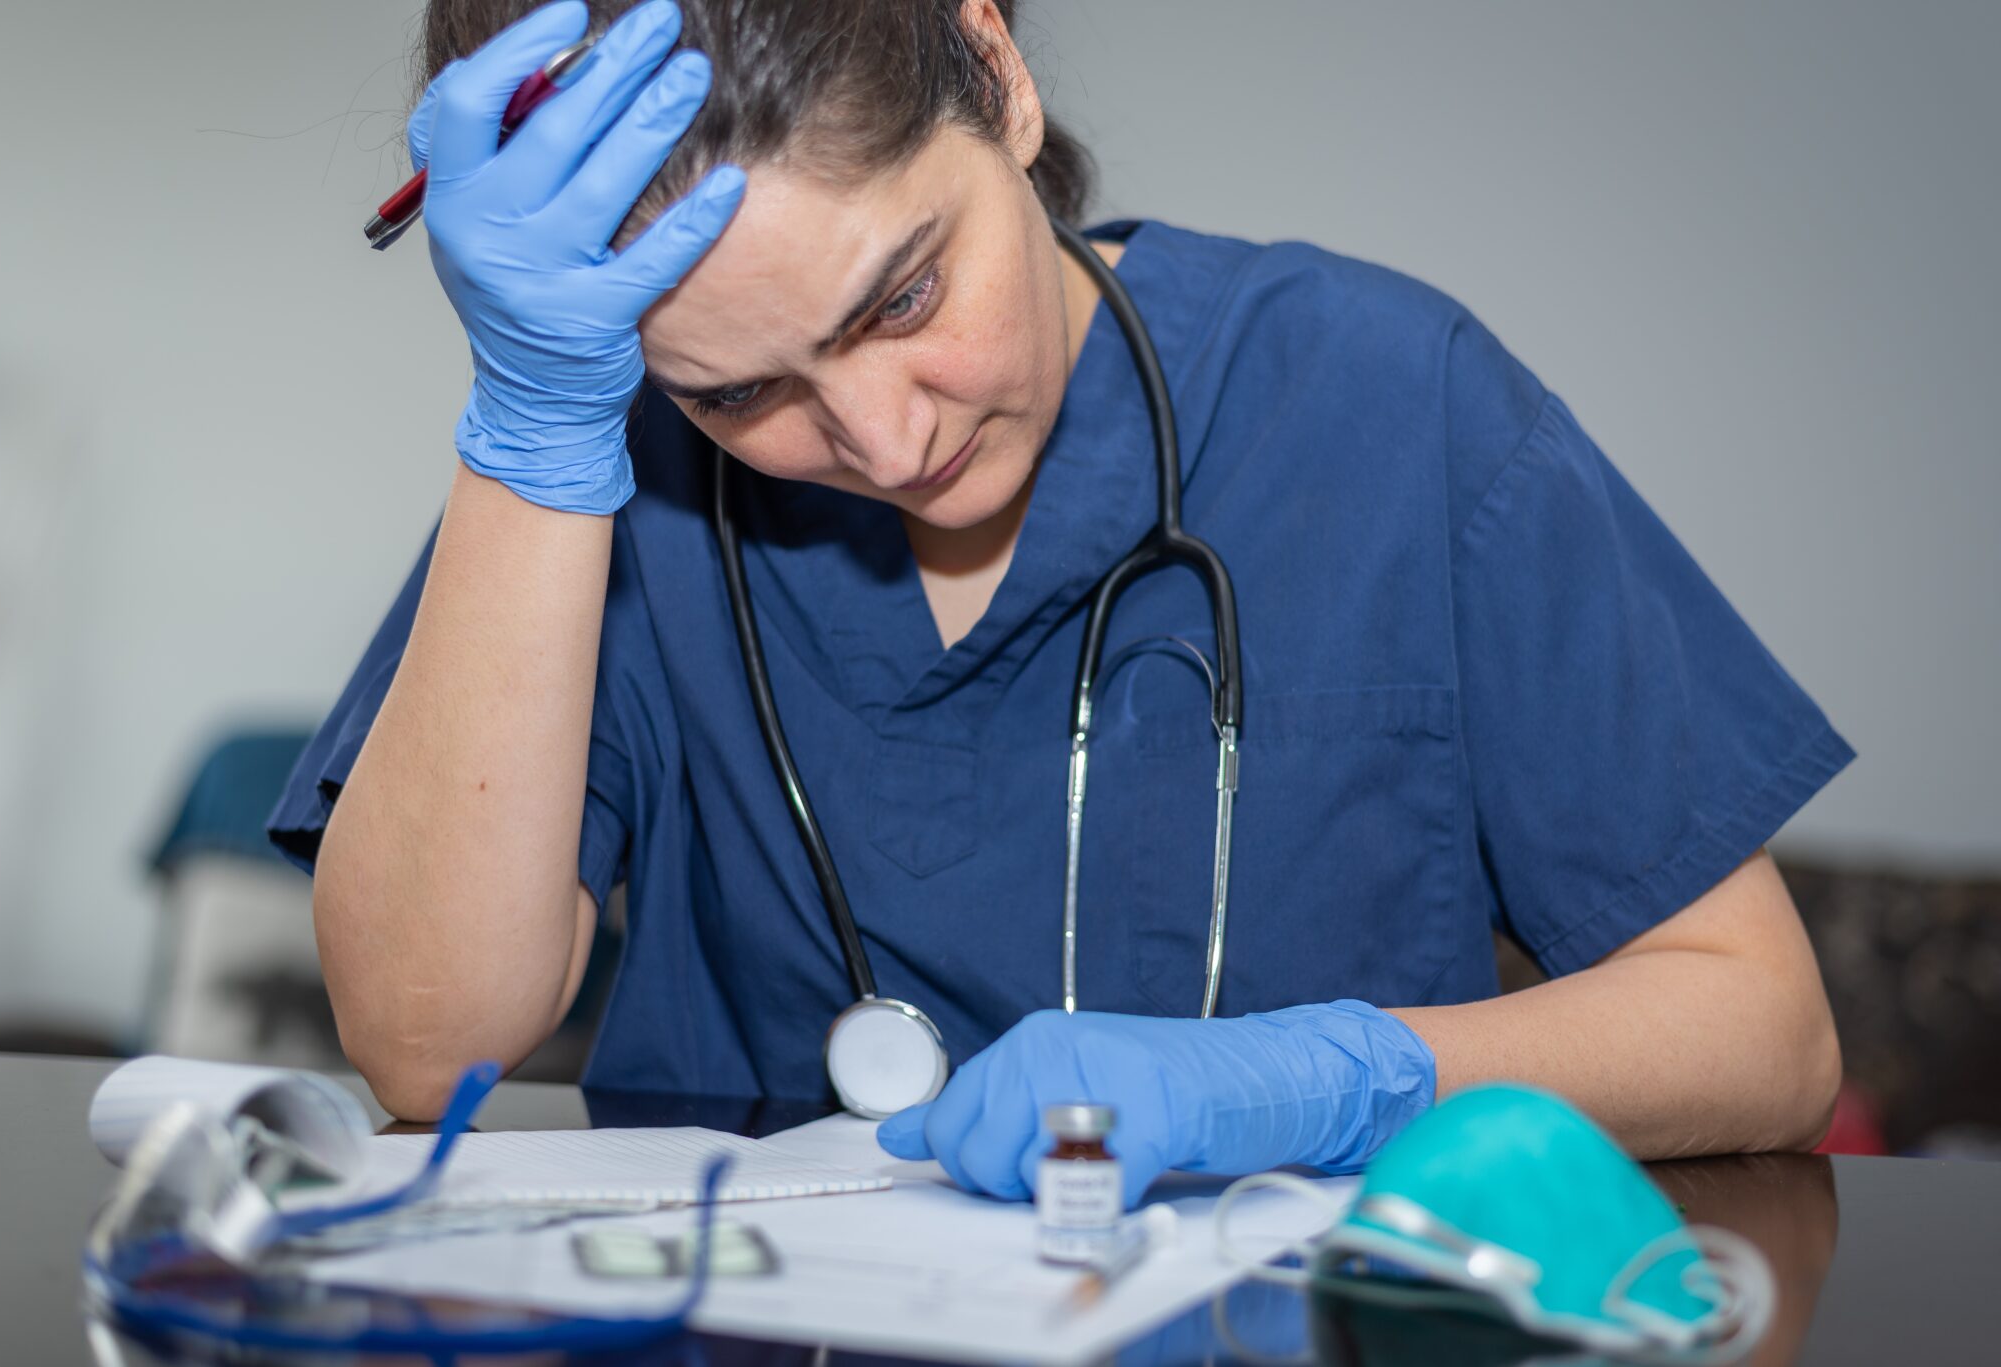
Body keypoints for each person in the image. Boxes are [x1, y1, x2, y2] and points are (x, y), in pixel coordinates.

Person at [269, 0, 1853, 1205]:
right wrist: (533, 436)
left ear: (1000, 71)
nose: (887, 441)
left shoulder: (1385, 403)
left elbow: (1764, 1032)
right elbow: (426, 1043)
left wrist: (1334, 1081)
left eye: (903, 297)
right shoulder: (599, 470)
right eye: (746, 391)